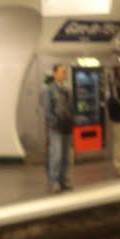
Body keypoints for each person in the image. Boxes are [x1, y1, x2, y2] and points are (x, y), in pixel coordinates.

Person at [42, 63, 74, 192]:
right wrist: (55, 122)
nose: (64, 74)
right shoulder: (49, 90)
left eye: (65, 72)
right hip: (56, 128)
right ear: (55, 74)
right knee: (57, 155)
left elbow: (70, 107)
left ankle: (62, 180)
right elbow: (47, 110)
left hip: (67, 126)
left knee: (66, 155)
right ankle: (53, 181)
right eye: (61, 72)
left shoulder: (67, 90)